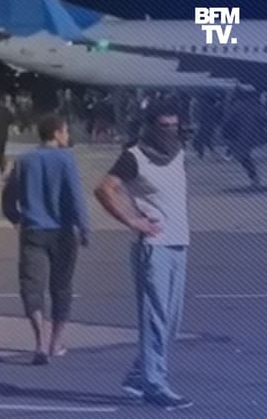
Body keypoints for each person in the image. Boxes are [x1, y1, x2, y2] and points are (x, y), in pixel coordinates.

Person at [94, 100, 194, 410]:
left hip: (179, 242)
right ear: (150, 126)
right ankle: (155, 384)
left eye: (174, 125)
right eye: (164, 126)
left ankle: (140, 375)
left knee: (171, 321)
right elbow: (104, 189)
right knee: (155, 319)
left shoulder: (178, 152)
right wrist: (133, 220)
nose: (170, 131)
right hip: (154, 246)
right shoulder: (134, 157)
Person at [2, 114, 89, 365]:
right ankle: (55, 342)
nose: (68, 136)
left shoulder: (24, 160)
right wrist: (84, 227)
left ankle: (39, 341)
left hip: (33, 230)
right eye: (66, 131)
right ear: (57, 133)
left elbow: (8, 196)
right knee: (61, 288)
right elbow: (75, 196)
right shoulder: (66, 159)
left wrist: (15, 217)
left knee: (32, 287)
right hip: (62, 232)